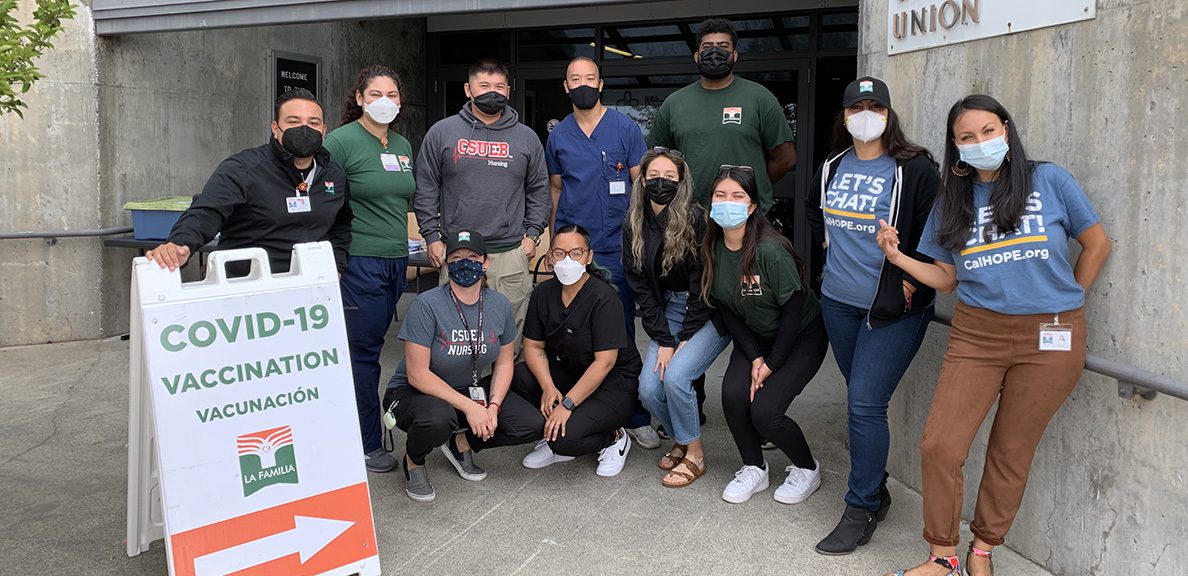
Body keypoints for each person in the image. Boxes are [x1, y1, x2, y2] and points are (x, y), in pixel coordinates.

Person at [877, 95, 1111, 576]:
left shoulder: (1049, 179)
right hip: (977, 335)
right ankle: (942, 556)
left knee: (1011, 448)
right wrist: (898, 258)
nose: (979, 142)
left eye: (988, 131)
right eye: (967, 137)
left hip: (1052, 336)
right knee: (939, 445)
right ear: (955, 145)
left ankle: (982, 550)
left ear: (1005, 129)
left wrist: (1067, 303)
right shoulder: (952, 200)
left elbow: (1096, 243)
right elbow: (946, 278)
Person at [805, 77, 940, 555]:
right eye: (856, 107)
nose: (865, 114)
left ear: (888, 113)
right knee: (858, 397)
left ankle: (860, 507)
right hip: (838, 302)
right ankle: (877, 487)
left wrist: (911, 279)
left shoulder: (915, 168)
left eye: (874, 105)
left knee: (864, 404)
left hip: (892, 308)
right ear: (844, 116)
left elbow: (937, 231)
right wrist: (825, 247)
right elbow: (816, 213)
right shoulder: (832, 165)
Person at [380, 230, 543, 502]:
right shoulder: (426, 305)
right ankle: (414, 461)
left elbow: (504, 363)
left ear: (486, 262)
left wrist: (492, 407)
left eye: (472, 257)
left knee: (530, 423)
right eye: (456, 257)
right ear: (445, 263)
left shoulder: (499, 305)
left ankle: (460, 444)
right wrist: (470, 408)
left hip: (468, 387)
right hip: (415, 392)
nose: (464, 263)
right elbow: (417, 374)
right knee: (439, 419)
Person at [545, 56, 658, 449]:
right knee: (572, 329)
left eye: (589, 78)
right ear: (565, 86)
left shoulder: (626, 129)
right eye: (574, 78)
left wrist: (644, 241)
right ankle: (580, 403)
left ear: (601, 83)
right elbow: (556, 191)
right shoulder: (558, 135)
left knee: (620, 330)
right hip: (572, 250)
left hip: (615, 248)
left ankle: (635, 413)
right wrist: (552, 246)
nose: (582, 84)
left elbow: (640, 189)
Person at [702, 166, 828, 505]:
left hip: (801, 334)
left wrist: (770, 365)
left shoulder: (770, 250)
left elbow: (792, 312)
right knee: (731, 394)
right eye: (720, 195)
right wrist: (755, 356)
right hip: (756, 336)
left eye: (737, 196)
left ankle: (807, 468)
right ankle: (754, 467)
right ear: (710, 202)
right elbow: (728, 308)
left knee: (766, 412)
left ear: (753, 206)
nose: (727, 203)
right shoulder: (711, 248)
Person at [414, 59, 550, 357]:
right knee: (454, 333)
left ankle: (504, 395)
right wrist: (431, 237)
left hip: (509, 253)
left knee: (510, 333)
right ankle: (459, 394)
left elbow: (539, 190)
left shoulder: (526, 137)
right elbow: (425, 187)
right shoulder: (442, 132)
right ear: (468, 89)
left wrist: (532, 236)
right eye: (484, 86)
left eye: (499, 86)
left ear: (509, 91)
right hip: (458, 253)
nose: (492, 92)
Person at [145, 88, 351, 277]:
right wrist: (179, 244)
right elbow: (207, 211)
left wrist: (338, 265)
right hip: (248, 291)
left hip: (309, 289)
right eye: (293, 122)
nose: (304, 130)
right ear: (275, 128)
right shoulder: (243, 169)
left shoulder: (334, 175)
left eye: (313, 123)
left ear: (324, 131)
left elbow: (341, 223)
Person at [323, 64, 416, 474]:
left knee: (373, 345)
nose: (385, 102)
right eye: (375, 94)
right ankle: (367, 442)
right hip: (359, 261)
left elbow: (400, 202)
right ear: (359, 98)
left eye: (392, 95)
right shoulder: (339, 142)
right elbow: (323, 204)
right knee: (364, 354)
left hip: (397, 260)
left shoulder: (402, 144)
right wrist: (335, 261)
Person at [623, 147, 731, 487]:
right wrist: (665, 339)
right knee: (648, 390)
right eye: (653, 176)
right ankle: (683, 439)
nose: (660, 182)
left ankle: (694, 454)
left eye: (670, 176)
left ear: (681, 181)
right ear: (641, 180)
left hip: (708, 311)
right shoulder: (634, 224)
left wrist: (683, 338)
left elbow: (703, 284)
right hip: (668, 309)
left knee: (676, 378)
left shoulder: (697, 220)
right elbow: (641, 287)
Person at [513, 225, 641, 478]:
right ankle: (556, 431)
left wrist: (567, 405)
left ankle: (613, 438)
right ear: (550, 257)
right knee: (521, 378)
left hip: (614, 382)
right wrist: (549, 388)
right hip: (573, 373)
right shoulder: (543, 294)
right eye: (559, 253)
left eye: (576, 253)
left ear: (589, 257)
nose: (568, 260)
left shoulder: (604, 298)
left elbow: (604, 363)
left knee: (564, 440)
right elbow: (533, 345)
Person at [647, 17, 796, 213]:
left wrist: (752, 185)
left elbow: (785, 159)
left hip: (745, 216)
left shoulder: (760, 98)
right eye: (707, 46)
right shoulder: (675, 103)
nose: (714, 51)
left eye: (722, 46)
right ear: (697, 56)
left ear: (734, 55)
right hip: (690, 215)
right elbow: (657, 159)